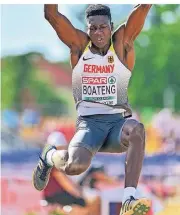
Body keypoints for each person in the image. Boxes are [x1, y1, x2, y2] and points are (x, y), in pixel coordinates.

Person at [33, 4, 152, 215]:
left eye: (103, 27)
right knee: (74, 167)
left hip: (117, 125)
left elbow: (143, 7)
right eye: (93, 28)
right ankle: (50, 156)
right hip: (90, 125)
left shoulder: (123, 44)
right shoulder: (79, 47)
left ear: (111, 27)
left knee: (137, 129)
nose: (98, 32)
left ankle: (129, 199)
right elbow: (51, 14)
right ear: (87, 29)